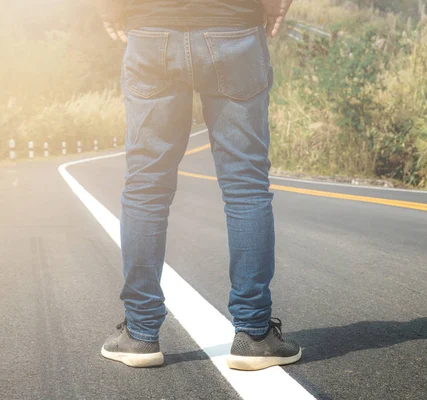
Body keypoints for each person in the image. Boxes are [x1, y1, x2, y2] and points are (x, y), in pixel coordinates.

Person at [96, 0, 300, 371]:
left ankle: (140, 333)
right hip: (233, 27)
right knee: (245, 186)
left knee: (147, 187)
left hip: (152, 27)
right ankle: (254, 335)